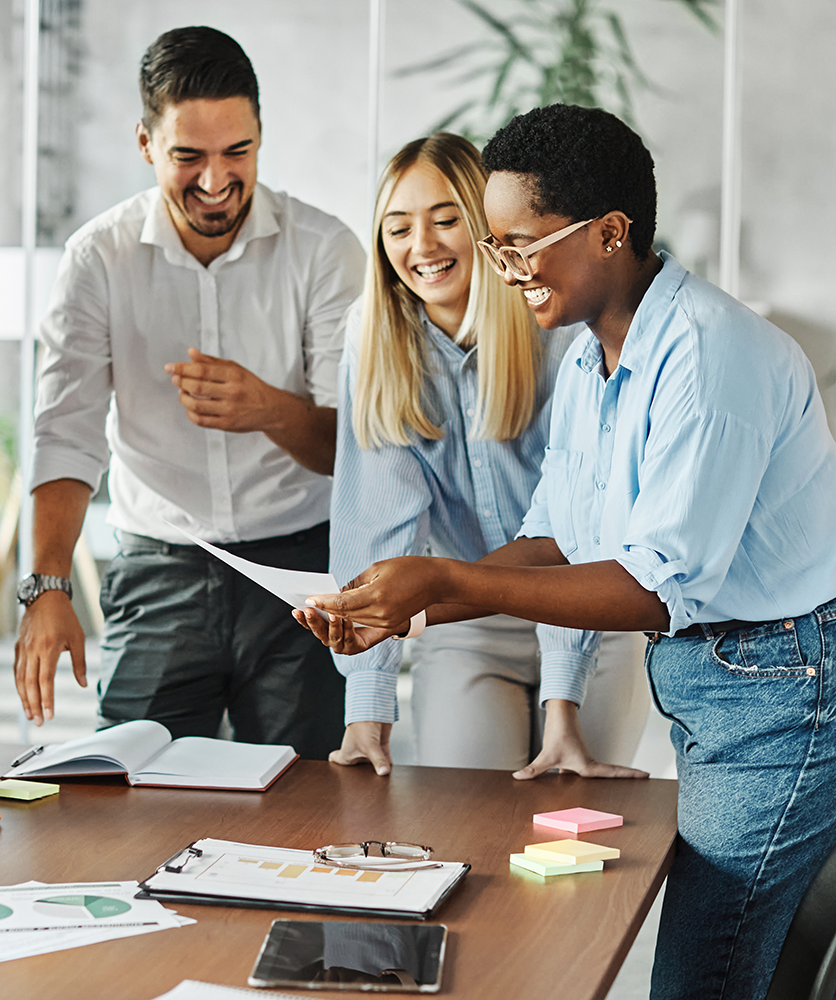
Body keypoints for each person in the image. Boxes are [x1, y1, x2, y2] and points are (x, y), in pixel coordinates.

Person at [296, 103, 836, 1000]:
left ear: (611, 233)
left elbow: (651, 589)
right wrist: (405, 607)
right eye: (496, 246)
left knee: (702, 972)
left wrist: (441, 578)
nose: (502, 271)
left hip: (785, 693)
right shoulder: (594, 359)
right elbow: (556, 541)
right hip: (727, 680)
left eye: (520, 245)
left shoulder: (705, 358)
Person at [14, 26, 365, 758]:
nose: (215, 180)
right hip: (159, 569)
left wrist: (267, 408)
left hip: (300, 571)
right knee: (131, 795)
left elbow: (355, 449)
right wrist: (47, 587)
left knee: (306, 804)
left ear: (261, 135)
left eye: (237, 152)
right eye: (188, 156)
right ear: (145, 144)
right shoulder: (96, 259)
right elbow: (65, 432)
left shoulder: (325, 251)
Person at [328, 132, 648, 777]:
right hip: (467, 623)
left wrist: (564, 703)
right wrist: (367, 705)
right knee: (465, 815)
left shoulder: (558, 330)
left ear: (490, 230)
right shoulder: (374, 344)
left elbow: (574, 533)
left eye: (446, 220)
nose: (422, 247)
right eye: (398, 228)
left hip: (592, 619)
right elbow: (376, 530)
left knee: (574, 826)